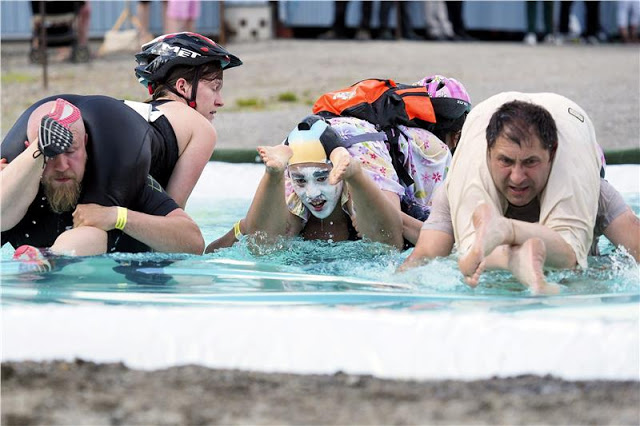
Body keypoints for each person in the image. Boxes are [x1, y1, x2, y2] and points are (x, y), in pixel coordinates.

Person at [402, 93, 639, 294]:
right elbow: (422, 260)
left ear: (552, 154)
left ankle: (505, 237)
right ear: (488, 153)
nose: (517, 177)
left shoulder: (592, 191)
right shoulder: (458, 185)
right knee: (469, 256)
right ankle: (512, 257)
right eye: (505, 161)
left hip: (569, 128)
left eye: (530, 162)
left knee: (569, 258)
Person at [205, 75, 471, 252]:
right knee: (384, 242)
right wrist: (360, 202)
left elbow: (258, 234)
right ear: (457, 136)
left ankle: (274, 175)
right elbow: (409, 236)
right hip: (359, 146)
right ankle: (353, 176)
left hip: (305, 137)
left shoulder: (379, 124)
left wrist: (209, 253)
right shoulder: (433, 150)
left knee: (271, 239)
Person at [1, 97, 204, 256]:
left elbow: (194, 242)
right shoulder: (14, 191)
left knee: (90, 234)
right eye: (51, 153)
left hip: (118, 287)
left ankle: (49, 259)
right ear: (28, 150)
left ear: (86, 145)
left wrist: (119, 217)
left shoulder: (122, 177)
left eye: (71, 151)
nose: (62, 166)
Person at [214, 115, 405, 250]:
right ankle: (273, 174)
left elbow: (395, 242)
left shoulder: (370, 167)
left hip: (361, 146)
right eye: (301, 181)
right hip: (299, 152)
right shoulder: (289, 184)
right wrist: (275, 174)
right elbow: (253, 243)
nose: (312, 193)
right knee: (265, 244)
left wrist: (354, 175)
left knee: (384, 243)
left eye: (322, 178)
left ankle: (355, 174)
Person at [131, 32, 242, 208]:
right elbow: (170, 222)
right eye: (215, 88)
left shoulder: (135, 113)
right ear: (182, 86)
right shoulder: (201, 128)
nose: (220, 101)